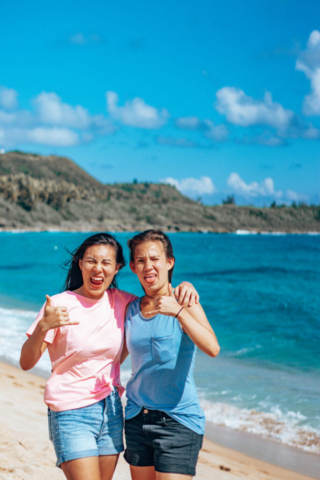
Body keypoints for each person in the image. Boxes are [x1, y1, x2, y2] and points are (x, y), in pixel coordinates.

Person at [20, 232, 199, 480]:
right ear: (80, 263)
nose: (98, 269)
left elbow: (156, 298)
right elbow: (26, 362)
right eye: (91, 261)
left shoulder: (122, 302)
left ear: (117, 268)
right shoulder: (59, 304)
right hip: (71, 410)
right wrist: (42, 328)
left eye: (106, 263)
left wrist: (184, 287)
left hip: (111, 409)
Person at [121, 230, 220, 480]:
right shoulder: (131, 308)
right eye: (141, 260)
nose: (148, 266)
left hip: (178, 421)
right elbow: (115, 355)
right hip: (136, 418)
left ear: (169, 262)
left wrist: (179, 312)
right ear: (133, 266)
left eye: (155, 259)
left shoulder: (185, 300)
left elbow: (212, 347)